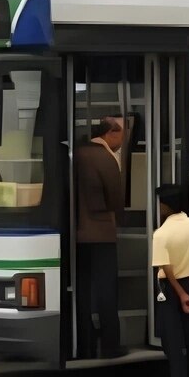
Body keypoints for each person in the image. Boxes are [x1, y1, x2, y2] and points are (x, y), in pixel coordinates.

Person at [74, 115, 126, 359]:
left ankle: (83, 342)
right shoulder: (106, 158)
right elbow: (116, 199)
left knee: (82, 291)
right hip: (101, 232)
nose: (122, 141)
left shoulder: (78, 153)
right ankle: (110, 345)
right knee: (107, 291)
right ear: (111, 133)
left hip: (77, 234)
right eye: (122, 135)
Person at [152, 183, 189, 377]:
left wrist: (180, 294)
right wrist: (187, 293)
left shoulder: (161, 234)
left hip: (171, 289)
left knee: (175, 350)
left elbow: (165, 267)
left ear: (165, 206)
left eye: (160, 204)